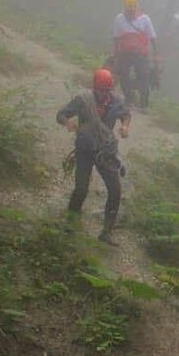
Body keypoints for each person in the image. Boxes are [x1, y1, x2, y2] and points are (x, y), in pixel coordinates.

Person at [57, 68, 131, 246]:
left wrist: (125, 126)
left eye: (107, 90)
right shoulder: (83, 100)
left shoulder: (116, 101)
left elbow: (126, 114)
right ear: (95, 88)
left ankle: (107, 232)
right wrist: (68, 122)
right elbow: (61, 114)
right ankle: (71, 222)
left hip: (106, 150)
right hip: (84, 149)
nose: (104, 94)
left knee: (115, 190)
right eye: (101, 90)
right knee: (81, 189)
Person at [113, 0, 158, 110]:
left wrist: (156, 54)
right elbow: (116, 38)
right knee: (124, 76)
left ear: (137, 6)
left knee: (143, 77)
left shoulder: (145, 19)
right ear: (125, 8)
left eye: (134, 7)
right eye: (129, 8)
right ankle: (129, 99)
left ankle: (144, 104)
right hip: (125, 53)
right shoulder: (119, 19)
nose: (132, 11)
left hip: (141, 54)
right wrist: (115, 55)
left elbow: (152, 38)